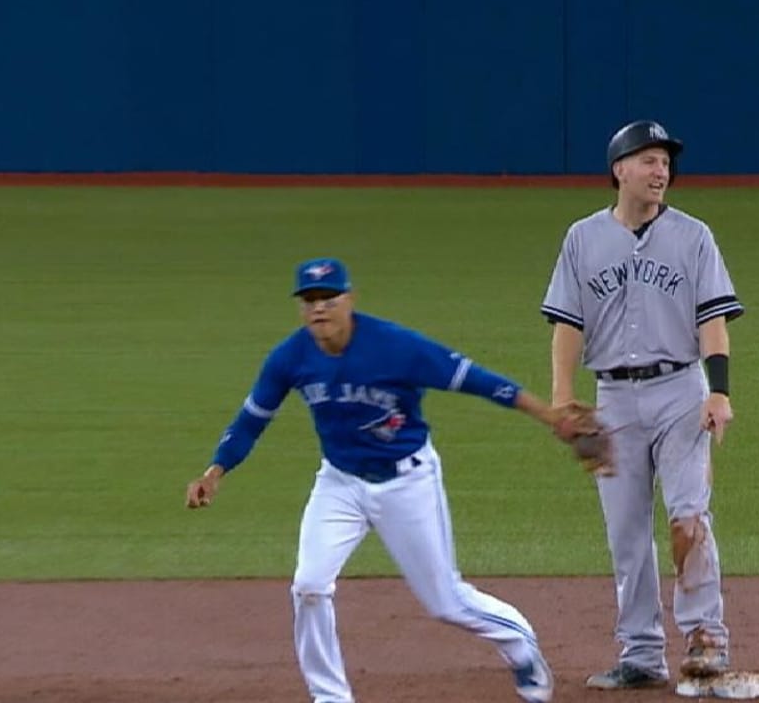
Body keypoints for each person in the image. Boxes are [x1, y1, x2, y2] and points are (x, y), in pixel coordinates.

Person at [185, 257, 609, 703]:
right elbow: (253, 419)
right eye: (309, 300)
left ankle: (521, 646)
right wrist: (216, 471)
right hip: (340, 483)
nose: (319, 309)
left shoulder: (395, 347)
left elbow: (478, 381)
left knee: (446, 601)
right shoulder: (291, 357)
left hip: (407, 482)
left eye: (328, 298)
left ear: (349, 299)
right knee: (309, 585)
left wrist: (548, 415)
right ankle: (330, 697)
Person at [540, 120, 745, 689]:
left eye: (666, 163)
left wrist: (720, 391)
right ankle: (641, 652)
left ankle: (707, 638)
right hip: (612, 400)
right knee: (626, 531)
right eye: (650, 161)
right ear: (619, 170)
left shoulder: (693, 236)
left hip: (681, 391)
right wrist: (562, 399)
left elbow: (714, 319)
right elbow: (566, 323)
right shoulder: (582, 239)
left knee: (688, 516)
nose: (662, 172)